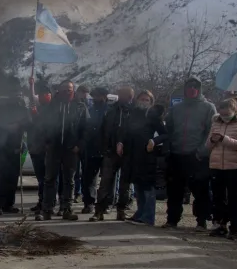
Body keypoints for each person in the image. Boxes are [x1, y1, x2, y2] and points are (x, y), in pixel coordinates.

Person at [163, 76, 216, 230]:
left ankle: (201, 220)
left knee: (200, 190)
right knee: (174, 190)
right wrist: (169, 148)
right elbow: (169, 129)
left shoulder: (208, 107)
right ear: (185, 89)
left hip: (197, 156)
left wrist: (202, 152)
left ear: (199, 89)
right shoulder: (176, 108)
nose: (192, 90)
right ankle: (172, 219)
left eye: (195, 87)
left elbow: (211, 132)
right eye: (189, 87)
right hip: (176, 154)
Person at [38, 80, 88, 221]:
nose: (67, 92)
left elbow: (85, 129)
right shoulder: (50, 106)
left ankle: (67, 209)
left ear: (73, 90)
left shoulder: (80, 107)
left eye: (70, 89)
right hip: (53, 147)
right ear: (59, 90)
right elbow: (42, 126)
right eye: (65, 89)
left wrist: (79, 145)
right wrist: (46, 142)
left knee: (69, 181)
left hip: (71, 149)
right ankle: (47, 210)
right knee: (50, 179)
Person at [206, 97, 237, 240]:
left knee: (235, 198)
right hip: (216, 165)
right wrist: (212, 140)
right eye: (222, 114)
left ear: (235, 110)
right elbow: (207, 145)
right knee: (218, 197)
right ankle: (220, 225)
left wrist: (224, 139)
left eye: (227, 114)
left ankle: (235, 228)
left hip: (235, 166)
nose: (224, 116)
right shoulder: (216, 123)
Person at [120, 91, 166, 226]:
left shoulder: (153, 116)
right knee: (138, 185)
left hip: (147, 155)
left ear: (151, 102)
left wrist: (154, 141)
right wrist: (120, 142)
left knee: (147, 187)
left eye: (147, 100)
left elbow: (165, 134)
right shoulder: (132, 114)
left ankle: (148, 216)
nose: (144, 101)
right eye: (142, 99)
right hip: (132, 155)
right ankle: (140, 213)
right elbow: (125, 131)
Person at [90, 87, 136, 222]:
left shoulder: (134, 112)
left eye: (127, 95)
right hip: (110, 152)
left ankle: (121, 210)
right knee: (105, 182)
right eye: (122, 94)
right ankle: (99, 210)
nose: (124, 98)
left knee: (125, 184)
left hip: (127, 153)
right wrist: (104, 147)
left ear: (131, 97)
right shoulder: (111, 110)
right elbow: (103, 129)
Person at [0, 95, 30, 215]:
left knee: (12, 178)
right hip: (1, 150)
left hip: (15, 149)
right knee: (0, 178)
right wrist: (7, 127)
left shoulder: (22, 110)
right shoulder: (0, 110)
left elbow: (29, 123)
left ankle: (9, 204)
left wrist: (19, 124)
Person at [80, 87, 110, 214]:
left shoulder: (110, 111)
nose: (96, 98)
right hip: (91, 149)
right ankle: (89, 203)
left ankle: (105, 204)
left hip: (107, 149)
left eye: (98, 96)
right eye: (94, 96)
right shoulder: (90, 110)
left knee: (107, 180)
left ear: (104, 96)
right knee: (88, 179)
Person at [26, 82, 53, 213]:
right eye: (41, 94)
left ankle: (48, 203)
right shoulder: (35, 109)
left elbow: (46, 127)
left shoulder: (52, 109)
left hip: (47, 149)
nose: (43, 96)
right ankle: (41, 201)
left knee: (48, 179)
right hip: (35, 148)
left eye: (45, 94)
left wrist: (36, 116)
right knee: (41, 178)